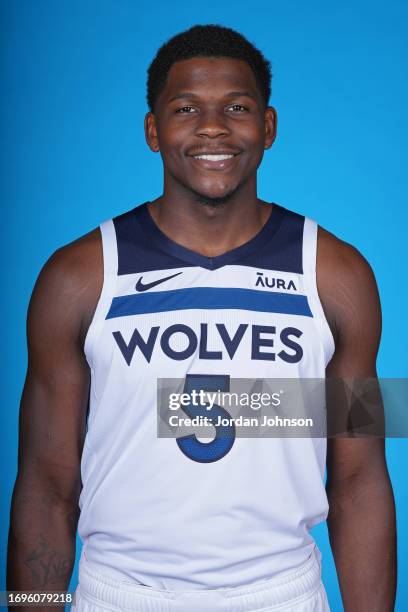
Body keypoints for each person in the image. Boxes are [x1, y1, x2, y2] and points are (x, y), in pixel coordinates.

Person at [7, 24, 396, 612]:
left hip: (281, 595)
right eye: (186, 108)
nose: (213, 127)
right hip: (120, 595)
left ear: (267, 127)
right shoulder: (79, 277)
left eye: (236, 107)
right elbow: (45, 485)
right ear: (153, 129)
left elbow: (360, 479)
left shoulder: (337, 276)